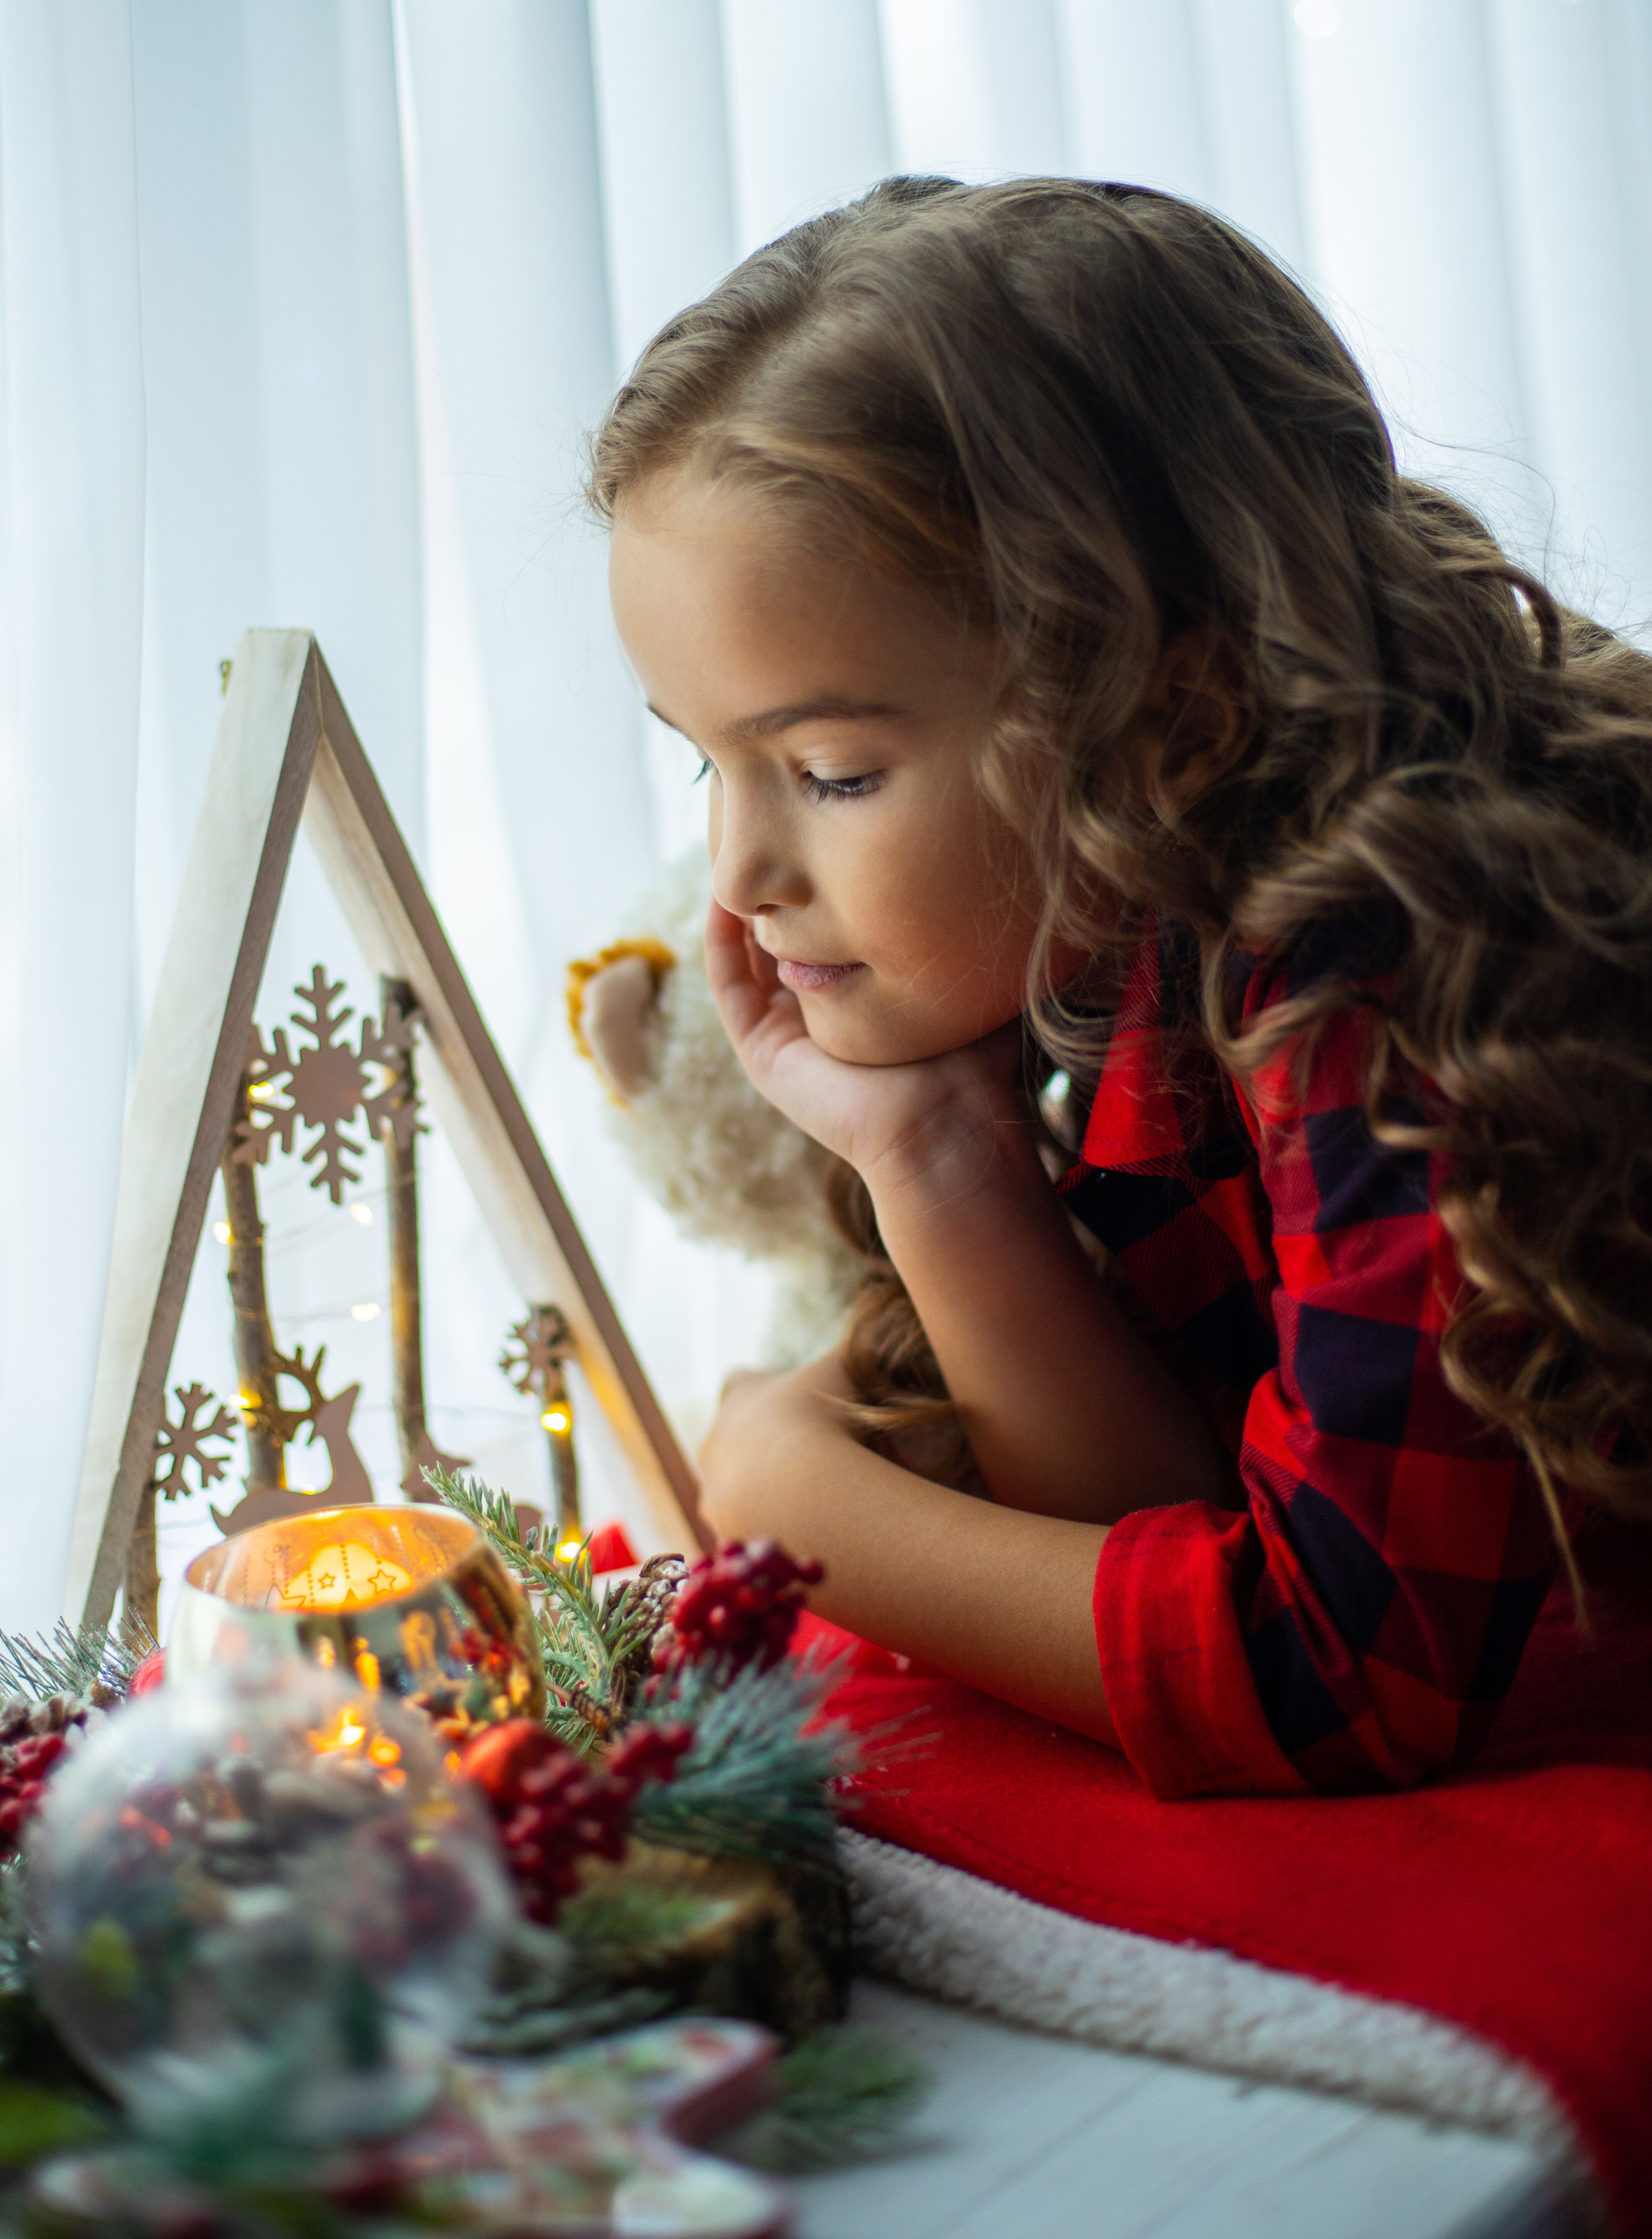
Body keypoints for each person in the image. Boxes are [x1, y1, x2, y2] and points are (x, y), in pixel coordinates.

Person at [586, 177, 1652, 1799]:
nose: (736, 876)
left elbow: (1340, 1674)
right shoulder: (1135, 932)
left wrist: (798, 1506)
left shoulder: (1383, 975)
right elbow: (1159, 1524)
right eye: (704, 766)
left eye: (829, 770)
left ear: (1174, 715)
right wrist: (933, 1157)